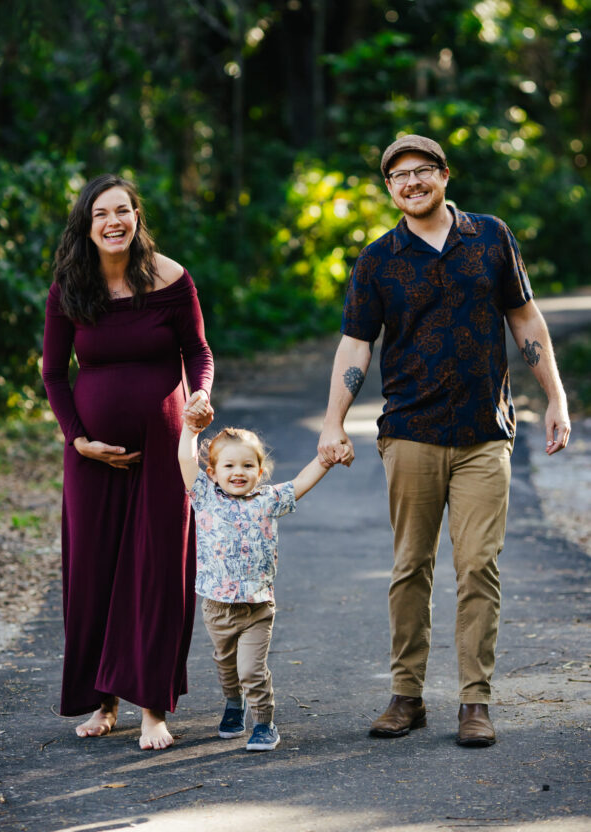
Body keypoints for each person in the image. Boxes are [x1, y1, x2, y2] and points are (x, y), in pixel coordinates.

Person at [318, 134, 570, 748]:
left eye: (422, 170)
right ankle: (406, 697)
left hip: (486, 431)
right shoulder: (378, 259)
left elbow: (524, 317)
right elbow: (357, 343)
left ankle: (473, 702)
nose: (411, 182)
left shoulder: (490, 236)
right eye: (398, 175)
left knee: (479, 566)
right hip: (410, 432)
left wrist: (557, 397)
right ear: (389, 189)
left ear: (445, 175)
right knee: (410, 567)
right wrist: (332, 422)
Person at [42, 173, 214, 750]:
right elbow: (53, 374)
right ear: (87, 226)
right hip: (91, 459)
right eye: (101, 215)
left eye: (123, 211)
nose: (113, 222)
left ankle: (152, 710)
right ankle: (103, 700)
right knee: (95, 572)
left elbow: (198, 352)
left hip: (165, 451)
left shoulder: (171, 278)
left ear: (137, 216)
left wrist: (200, 395)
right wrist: (78, 439)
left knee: (157, 571)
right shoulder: (70, 286)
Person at [178, 416, 336, 751]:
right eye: (229, 465)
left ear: (260, 472)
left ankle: (264, 723)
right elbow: (183, 459)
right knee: (226, 666)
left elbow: (300, 483)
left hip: (257, 607)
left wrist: (324, 459)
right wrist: (190, 430)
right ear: (213, 473)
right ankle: (233, 704)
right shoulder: (204, 497)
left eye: (248, 465)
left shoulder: (268, 500)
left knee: (251, 670)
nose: (239, 472)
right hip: (216, 606)